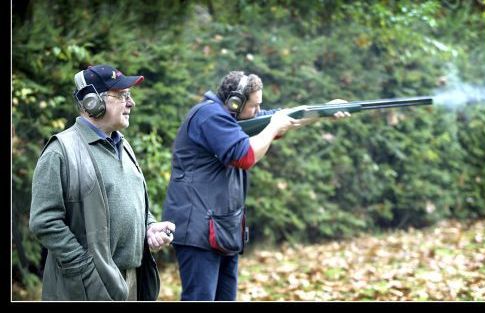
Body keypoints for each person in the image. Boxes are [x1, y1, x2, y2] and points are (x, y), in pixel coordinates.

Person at [161, 70, 350, 301]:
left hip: (222, 228)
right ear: (235, 102)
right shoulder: (209, 116)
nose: (258, 111)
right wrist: (272, 127)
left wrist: (322, 110)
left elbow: (283, 119)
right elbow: (245, 156)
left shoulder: (231, 118)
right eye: (254, 105)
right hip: (199, 230)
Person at [29, 64, 176, 301]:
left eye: (130, 96)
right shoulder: (60, 152)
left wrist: (149, 227)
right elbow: (44, 222)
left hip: (132, 279)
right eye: (121, 96)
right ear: (91, 102)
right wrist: (87, 269)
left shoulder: (123, 145)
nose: (131, 103)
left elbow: (129, 201)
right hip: (86, 287)